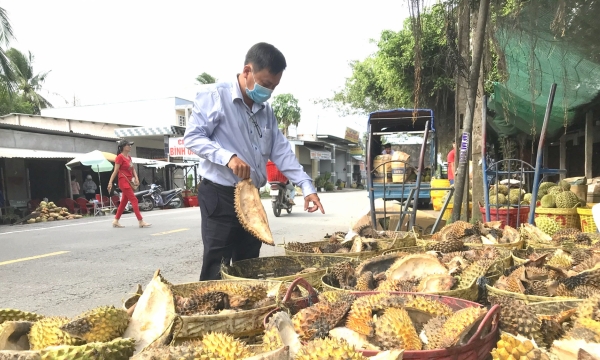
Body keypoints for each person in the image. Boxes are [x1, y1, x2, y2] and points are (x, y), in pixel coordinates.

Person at [184, 42, 325, 281]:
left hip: (252, 196)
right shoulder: (215, 97)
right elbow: (193, 137)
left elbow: (281, 151)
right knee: (216, 264)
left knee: (249, 263)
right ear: (247, 71)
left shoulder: (265, 110)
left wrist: (306, 186)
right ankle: (211, 316)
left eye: (274, 87)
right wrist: (227, 157)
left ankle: (244, 314)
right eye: (266, 84)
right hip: (220, 195)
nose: (269, 92)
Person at [107, 140, 151, 228]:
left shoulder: (129, 157)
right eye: (128, 145)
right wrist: (110, 182)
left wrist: (137, 178)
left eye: (130, 145)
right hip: (123, 181)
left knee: (124, 202)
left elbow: (133, 169)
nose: (130, 146)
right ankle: (140, 221)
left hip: (130, 181)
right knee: (134, 200)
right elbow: (115, 171)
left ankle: (116, 220)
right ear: (123, 147)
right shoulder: (119, 157)